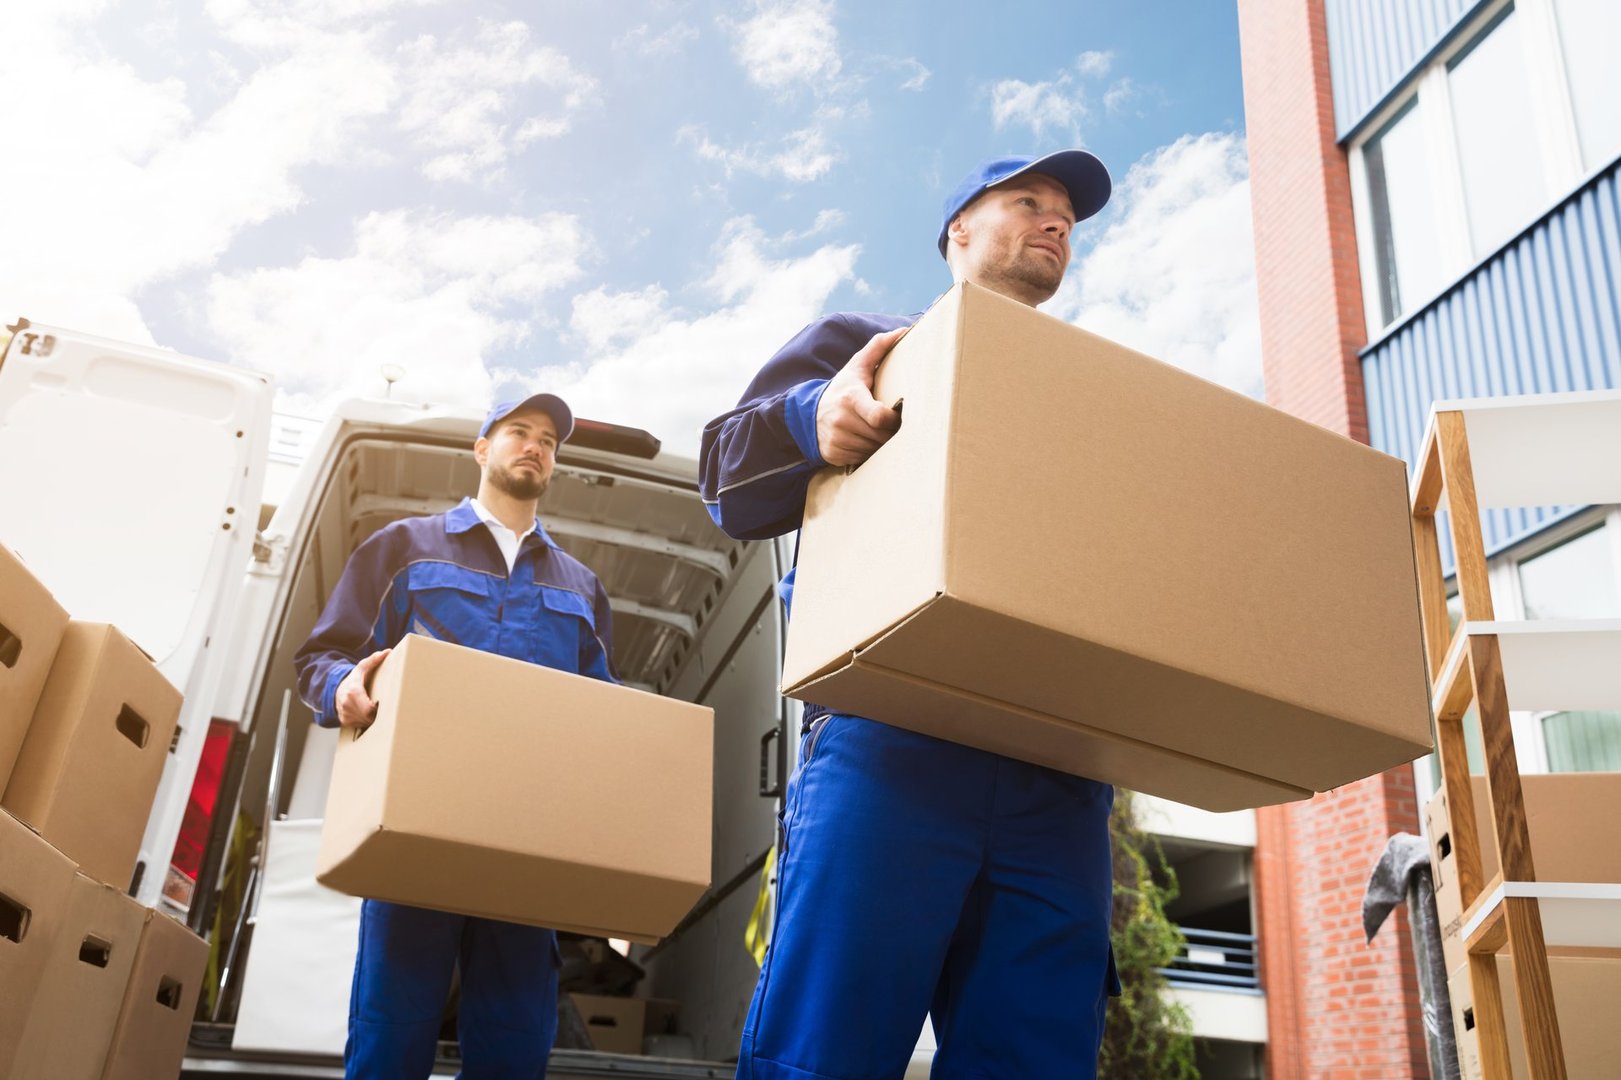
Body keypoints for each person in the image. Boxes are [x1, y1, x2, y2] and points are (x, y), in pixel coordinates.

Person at [699, 151, 1121, 1080]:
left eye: (1066, 216)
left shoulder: (1095, 396)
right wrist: (817, 418)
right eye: (1029, 202)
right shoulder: (870, 345)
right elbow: (726, 485)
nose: (1056, 222)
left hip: (1060, 771)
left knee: (1037, 1055)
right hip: (892, 743)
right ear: (957, 231)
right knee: (828, 1048)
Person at [294, 392, 614, 1079]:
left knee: (515, 1040)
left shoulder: (581, 587)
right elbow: (320, 657)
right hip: (415, 824)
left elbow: (602, 715)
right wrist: (343, 688)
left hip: (528, 839)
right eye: (518, 432)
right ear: (481, 449)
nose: (534, 447)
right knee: (391, 1030)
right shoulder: (403, 549)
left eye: (549, 442)